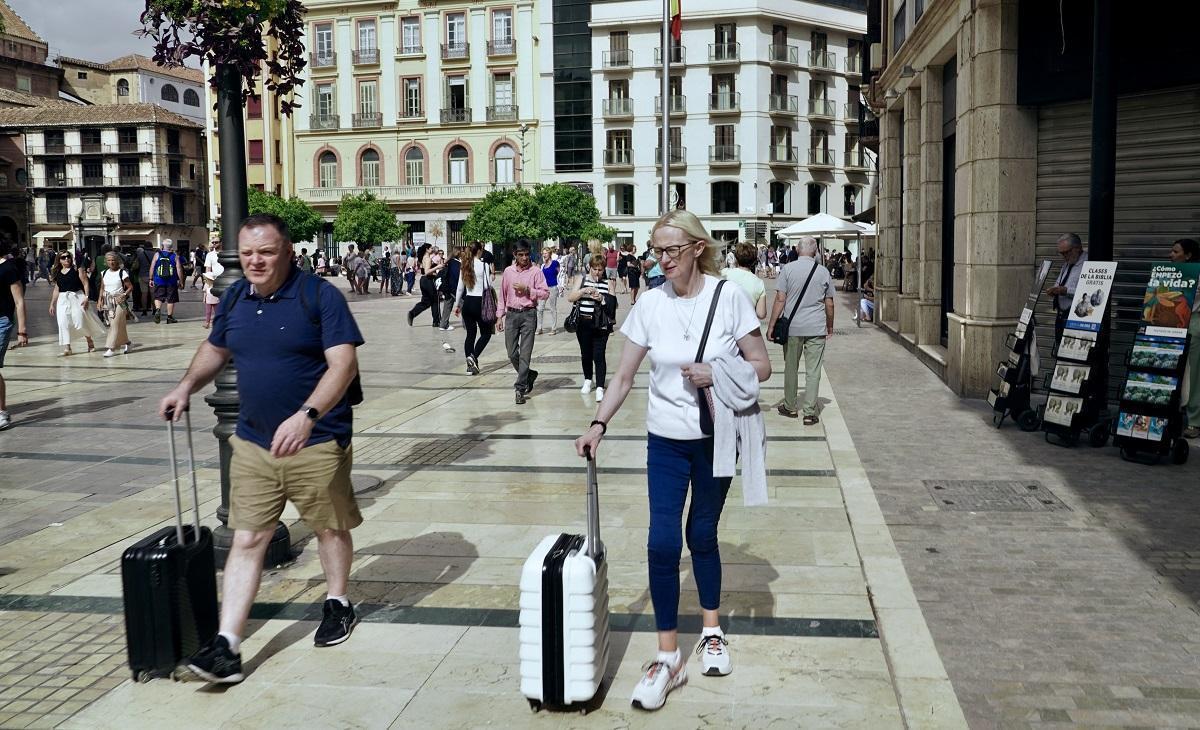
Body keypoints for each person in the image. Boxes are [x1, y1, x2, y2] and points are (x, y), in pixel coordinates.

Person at [574, 209, 770, 712]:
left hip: (715, 438)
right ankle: (667, 657)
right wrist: (598, 424)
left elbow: (762, 366)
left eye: (671, 251)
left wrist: (715, 369)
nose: (661, 260)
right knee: (662, 541)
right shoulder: (649, 304)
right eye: (656, 251)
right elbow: (621, 377)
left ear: (697, 249)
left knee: (701, 535)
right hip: (664, 441)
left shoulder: (728, 299)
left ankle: (710, 630)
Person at [160, 213, 365, 684]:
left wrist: (306, 415)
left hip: (315, 439)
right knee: (249, 537)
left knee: (328, 528)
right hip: (253, 441)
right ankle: (227, 646)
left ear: (287, 251)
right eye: (248, 252)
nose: (255, 260)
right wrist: (185, 386)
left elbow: (343, 364)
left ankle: (337, 601)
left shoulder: (320, 296)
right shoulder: (234, 296)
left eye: (266, 252)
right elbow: (216, 347)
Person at [767, 236, 834, 424]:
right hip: (816, 327)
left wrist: (771, 325)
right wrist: (830, 325)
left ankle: (790, 406)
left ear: (797, 249)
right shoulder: (823, 272)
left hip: (792, 327)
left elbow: (780, 300)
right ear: (815, 251)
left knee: (791, 367)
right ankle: (810, 412)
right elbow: (829, 303)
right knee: (813, 370)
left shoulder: (787, 270)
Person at [497, 239, 548, 405]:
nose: (524, 258)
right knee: (512, 353)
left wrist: (528, 290)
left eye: (527, 254)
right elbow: (502, 295)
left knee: (525, 354)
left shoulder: (536, 272)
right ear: (515, 255)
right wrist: (499, 316)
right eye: (521, 255)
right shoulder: (508, 272)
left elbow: (545, 293)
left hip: (529, 314)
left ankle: (520, 388)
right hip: (511, 315)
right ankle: (529, 375)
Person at [566, 253, 613, 403]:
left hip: (600, 324)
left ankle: (600, 386)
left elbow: (613, 304)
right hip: (583, 323)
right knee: (586, 353)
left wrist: (602, 298)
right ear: (590, 268)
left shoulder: (608, 283)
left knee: (599, 355)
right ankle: (588, 379)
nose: (597, 272)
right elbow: (570, 297)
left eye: (600, 269)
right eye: (595, 269)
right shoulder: (582, 279)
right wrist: (583, 291)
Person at [1170, 238, 1200, 439]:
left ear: (1188, 255)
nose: (1171, 255)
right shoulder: (1170, 273)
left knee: (1193, 373)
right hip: (1170, 322)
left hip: (1193, 322)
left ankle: (1195, 421)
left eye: (1175, 252)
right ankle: (1172, 413)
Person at [49, 250, 103, 355]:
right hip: (63, 299)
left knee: (80, 321)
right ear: (59, 260)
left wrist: (86, 297)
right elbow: (56, 289)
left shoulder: (77, 269)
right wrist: (52, 303)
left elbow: (85, 283)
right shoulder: (58, 272)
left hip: (77, 297)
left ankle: (89, 341)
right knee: (63, 323)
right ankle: (67, 347)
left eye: (68, 256)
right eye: (63, 257)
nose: (66, 259)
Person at [0, 236, 29, 430]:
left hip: (2, 321)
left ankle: (2, 412)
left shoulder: (8, 268)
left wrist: (22, 330)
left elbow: (19, 301)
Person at [454, 242, 494, 375]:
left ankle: (470, 366)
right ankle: (474, 356)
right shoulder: (484, 265)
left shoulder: (465, 265)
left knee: (470, 335)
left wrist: (457, 305)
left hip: (468, 303)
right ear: (479, 251)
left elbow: (460, 288)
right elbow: (488, 286)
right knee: (486, 334)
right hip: (480, 302)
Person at [1046, 233, 1087, 347]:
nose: (1064, 256)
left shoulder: (1088, 264)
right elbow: (1059, 283)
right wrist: (1054, 290)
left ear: (1078, 248)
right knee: (1060, 350)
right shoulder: (1067, 264)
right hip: (1062, 316)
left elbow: (1088, 293)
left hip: (1076, 317)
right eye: (1061, 253)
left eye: (1067, 252)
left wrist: (1066, 291)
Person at [100, 252, 134, 357]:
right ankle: (128, 343)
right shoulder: (104, 273)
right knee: (119, 325)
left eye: (113, 260)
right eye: (109, 260)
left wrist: (124, 294)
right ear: (106, 262)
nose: (111, 262)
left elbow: (130, 287)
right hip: (108, 301)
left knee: (114, 324)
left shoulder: (122, 273)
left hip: (120, 301)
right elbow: (102, 288)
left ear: (117, 261)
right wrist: (99, 301)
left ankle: (111, 347)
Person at [721, 243, 768, 319]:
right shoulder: (759, 283)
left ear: (736, 258)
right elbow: (761, 314)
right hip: (746, 325)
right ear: (753, 259)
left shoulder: (724, 273)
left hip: (723, 322)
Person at [406, 243, 444, 327]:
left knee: (426, 302)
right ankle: (437, 321)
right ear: (427, 249)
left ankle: (412, 313)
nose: (432, 249)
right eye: (430, 248)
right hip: (428, 281)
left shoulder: (423, 257)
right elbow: (427, 272)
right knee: (435, 300)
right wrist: (437, 267)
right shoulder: (427, 259)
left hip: (423, 281)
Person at [149, 239, 181, 324]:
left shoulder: (157, 254)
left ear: (162, 246)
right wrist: (180, 280)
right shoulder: (175, 255)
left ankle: (158, 309)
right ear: (172, 247)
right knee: (171, 299)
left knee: (158, 297)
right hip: (172, 281)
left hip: (158, 280)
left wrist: (151, 278)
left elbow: (152, 267)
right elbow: (179, 269)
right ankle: (169, 318)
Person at [537, 247, 561, 336]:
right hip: (544, 289)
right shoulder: (543, 265)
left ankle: (553, 328)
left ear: (550, 254)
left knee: (552, 308)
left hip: (553, 287)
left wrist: (560, 286)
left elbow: (560, 274)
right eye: (543, 253)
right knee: (540, 308)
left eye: (546, 253)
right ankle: (539, 328)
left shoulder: (555, 263)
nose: (544, 255)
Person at [202, 240, 225, 328]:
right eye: (213, 242)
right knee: (215, 304)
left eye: (216, 242)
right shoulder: (210, 255)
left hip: (226, 280)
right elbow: (208, 269)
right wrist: (207, 282)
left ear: (221, 242)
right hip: (214, 282)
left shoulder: (227, 253)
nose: (214, 244)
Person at [437, 246, 460, 331]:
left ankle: (443, 325)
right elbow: (457, 277)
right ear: (458, 253)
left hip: (447, 288)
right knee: (464, 305)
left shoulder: (449, 262)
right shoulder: (456, 263)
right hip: (453, 289)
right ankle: (467, 324)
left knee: (447, 307)